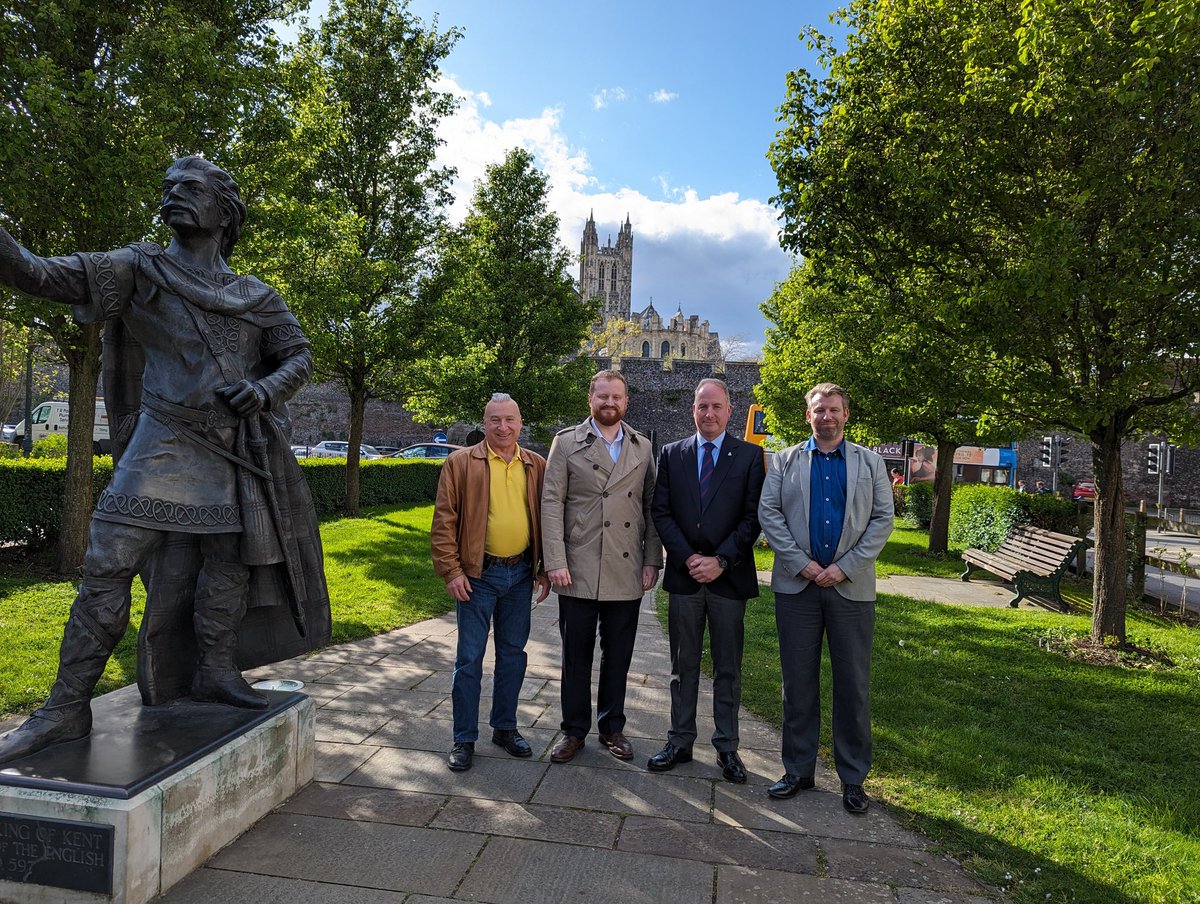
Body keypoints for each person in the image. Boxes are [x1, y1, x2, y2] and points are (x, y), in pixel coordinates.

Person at [0, 156, 330, 764]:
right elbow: (35, 274)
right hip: (160, 442)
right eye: (168, 188)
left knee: (228, 566)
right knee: (106, 566)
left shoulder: (256, 295)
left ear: (224, 210)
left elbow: (298, 356)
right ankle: (65, 708)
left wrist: (264, 390)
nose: (174, 195)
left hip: (233, 454)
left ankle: (214, 670)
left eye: (191, 188)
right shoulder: (138, 268)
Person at [757, 383, 893, 814]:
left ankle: (853, 779)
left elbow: (883, 519)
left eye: (834, 410)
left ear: (846, 415)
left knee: (852, 685)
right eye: (819, 410)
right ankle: (798, 769)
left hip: (850, 589)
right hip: (798, 587)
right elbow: (770, 514)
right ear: (808, 415)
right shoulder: (784, 462)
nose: (827, 417)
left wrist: (843, 567)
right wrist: (804, 564)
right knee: (797, 683)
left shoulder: (870, 463)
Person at [541, 369, 662, 763]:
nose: (609, 403)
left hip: (625, 567)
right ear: (590, 400)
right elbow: (551, 503)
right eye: (602, 397)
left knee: (619, 654)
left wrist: (651, 561)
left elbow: (652, 508)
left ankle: (612, 728)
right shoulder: (565, 443)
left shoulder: (643, 447)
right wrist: (554, 560)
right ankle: (573, 730)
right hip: (576, 565)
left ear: (627, 402)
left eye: (617, 397)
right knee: (576, 655)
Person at [647, 379, 765, 782]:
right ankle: (679, 740)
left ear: (730, 410)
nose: (709, 414)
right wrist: (689, 557)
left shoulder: (750, 456)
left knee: (728, 667)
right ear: (692, 410)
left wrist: (720, 560)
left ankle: (727, 748)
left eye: (716, 407)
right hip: (685, 577)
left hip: (728, 579)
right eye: (702, 407)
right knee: (683, 666)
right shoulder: (672, 454)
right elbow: (661, 512)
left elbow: (753, 518)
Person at [431, 393, 550, 772]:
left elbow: (548, 520)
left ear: (520, 422)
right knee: (469, 660)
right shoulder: (461, 463)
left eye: (509, 420)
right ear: (484, 423)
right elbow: (444, 520)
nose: (503, 427)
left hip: (519, 576)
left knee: (513, 657)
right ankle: (463, 738)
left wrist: (544, 568)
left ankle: (505, 728)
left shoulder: (536, 465)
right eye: (495, 420)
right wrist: (451, 571)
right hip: (477, 576)